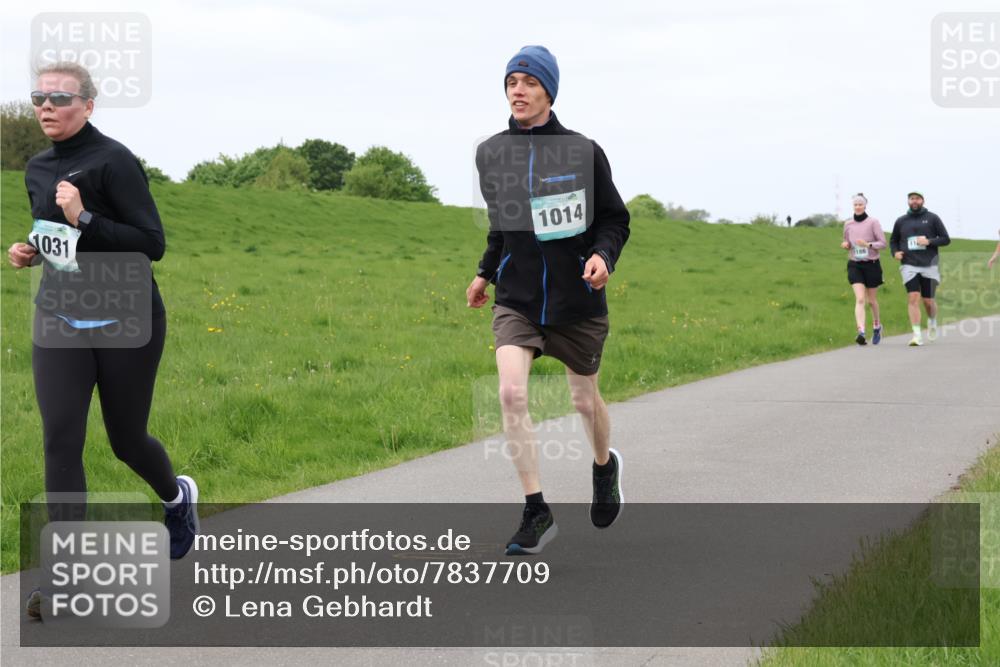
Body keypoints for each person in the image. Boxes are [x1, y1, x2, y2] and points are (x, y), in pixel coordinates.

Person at [8, 63, 198, 617]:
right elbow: (55, 238)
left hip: (126, 317)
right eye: (39, 96)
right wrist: (30, 250)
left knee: (125, 440)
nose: (46, 106)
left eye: (60, 98)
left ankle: (175, 496)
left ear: (88, 105)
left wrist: (84, 215)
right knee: (60, 439)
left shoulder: (114, 160)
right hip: (61, 316)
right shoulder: (38, 167)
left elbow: (150, 243)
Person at [466, 46, 630, 555]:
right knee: (511, 395)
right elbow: (502, 224)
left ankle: (605, 466)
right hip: (516, 299)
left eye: (529, 82)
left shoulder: (583, 150)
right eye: (512, 81)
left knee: (584, 399)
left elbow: (614, 219)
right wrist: (484, 272)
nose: (519, 90)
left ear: (549, 91)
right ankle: (536, 509)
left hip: (575, 299)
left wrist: (603, 256)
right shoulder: (491, 152)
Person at [889, 191, 951, 346]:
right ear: (908, 201)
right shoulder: (901, 221)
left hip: (929, 265)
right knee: (913, 297)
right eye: (911, 199)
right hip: (909, 264)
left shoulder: (932, 218)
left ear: (922, 200)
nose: (914, 201)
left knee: (928, 301)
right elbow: (893, 240)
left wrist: (928, 241)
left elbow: (945, 239)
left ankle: (932, 321)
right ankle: (917, 335)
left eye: (917, 198)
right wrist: (895, 252)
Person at [840, 193, 887, 345]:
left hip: (872, 264)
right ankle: (861, 331)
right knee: (860, 299)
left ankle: (877, 325)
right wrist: (845, 245)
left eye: (860, 204)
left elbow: (883, 243)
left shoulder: (873, 222)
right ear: (853, 206)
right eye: (855, 204)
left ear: (865, 206)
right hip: (855, 264)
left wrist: (868, 245)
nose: (858, 207)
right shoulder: (848, 224)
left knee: (871, 301)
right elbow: (846, 241)